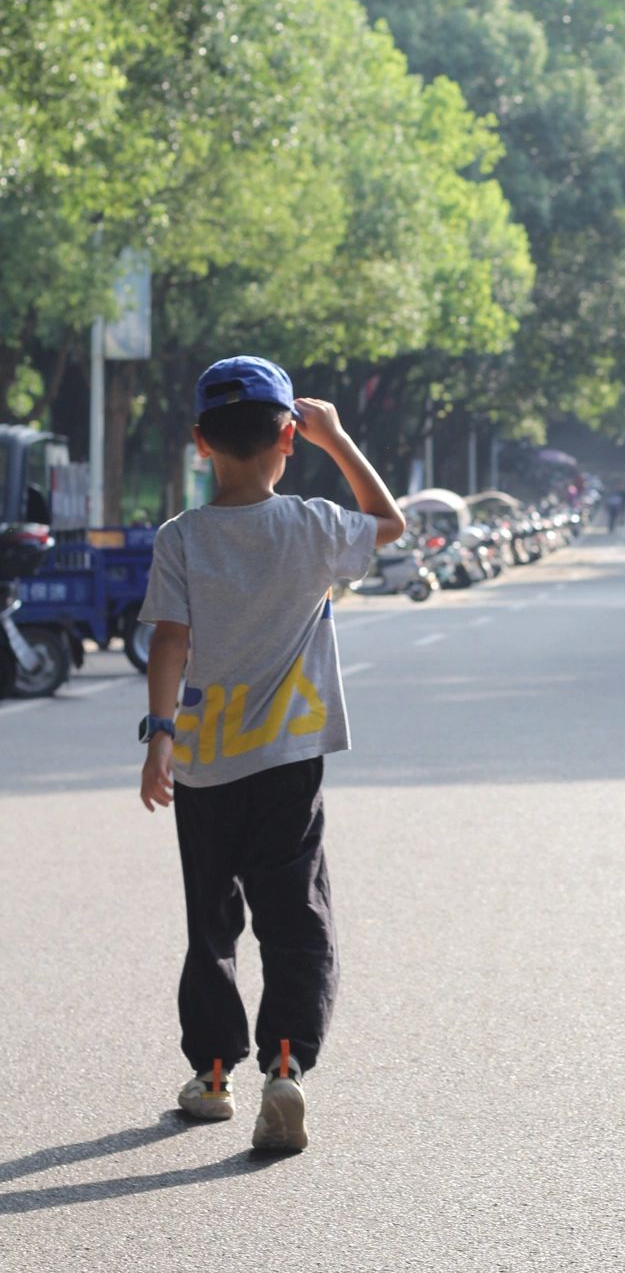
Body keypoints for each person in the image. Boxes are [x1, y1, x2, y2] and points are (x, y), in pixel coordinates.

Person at [137, 356, 404, 1152]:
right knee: (294, 916)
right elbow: (389, 524)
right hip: (288, 763)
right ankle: (285, 1067)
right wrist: (339, 438)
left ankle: (214, 1075)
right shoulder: (314, 525)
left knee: (211, 922)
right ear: (289, 436)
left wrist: (158, 735)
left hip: (204, 767)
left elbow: (170, 642)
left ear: (200, 442)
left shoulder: (182, 537)